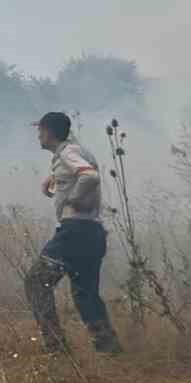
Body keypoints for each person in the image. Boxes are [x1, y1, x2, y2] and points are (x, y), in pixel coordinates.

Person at [28, 111, 120, 354]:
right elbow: (82, 165)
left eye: (40, 130)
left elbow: (89, 176)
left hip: (74, 232)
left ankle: (55, 347)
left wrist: (73, 198)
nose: (38, 134)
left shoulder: (68, 152)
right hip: (92, 233)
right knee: (85, 294)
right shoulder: (75, 150)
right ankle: (108, 348)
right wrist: (53, 177)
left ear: (48, 131)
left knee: (36, 282)